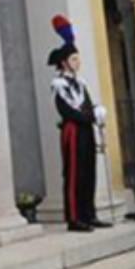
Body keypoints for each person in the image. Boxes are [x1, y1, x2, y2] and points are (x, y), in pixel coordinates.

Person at [48, 33, 109, 231]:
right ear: (64, 62)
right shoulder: (59, 85)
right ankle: (74, 218)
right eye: (74, 58)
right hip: (72, 130)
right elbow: (66, 110)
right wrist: (89, 116)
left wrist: (95, 112)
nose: (78, 62)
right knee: (75, 173)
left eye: (78, 58)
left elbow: (88, 105)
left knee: (88, 170)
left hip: (85, 130)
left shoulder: (80, 84)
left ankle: (89, 214)